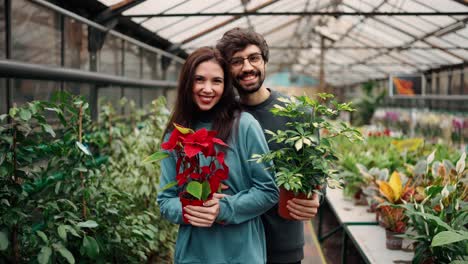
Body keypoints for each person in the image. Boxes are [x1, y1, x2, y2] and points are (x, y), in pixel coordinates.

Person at [157, 46, 279, 264]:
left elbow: (268, 190)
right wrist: (191, 209)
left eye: (217, 81)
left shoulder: (244, 126)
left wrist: (224, 208)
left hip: (242, 253)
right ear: (187, 83)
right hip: (194, 253)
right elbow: (165, 201)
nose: (207, 88)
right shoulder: (175, 135)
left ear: (226, 86)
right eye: (199, 79)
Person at [216, 28, 322, 264]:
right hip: (233, 243)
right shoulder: (221, 117)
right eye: (236, 61)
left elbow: (315, 173)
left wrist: (315, 197)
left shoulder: (298, 114)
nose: (247, 68)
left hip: (283, 245)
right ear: (227, 68)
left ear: (264, 62)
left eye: (254, 58)